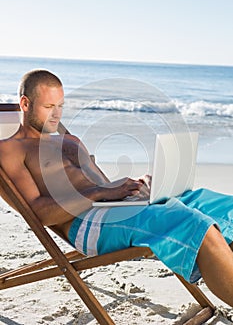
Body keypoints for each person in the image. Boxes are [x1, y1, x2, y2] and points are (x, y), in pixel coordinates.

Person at [0, 69, 233, 307]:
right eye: (49, 106)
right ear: (25, 104)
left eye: (60, 106)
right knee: (190, 222)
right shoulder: (11, 150)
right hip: (88, 224)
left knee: (221, 206)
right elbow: (39, 214)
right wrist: (101, 193)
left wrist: (135, 187)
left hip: (114, 207)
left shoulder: (69, 141)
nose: (56, 114)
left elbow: (103, 186)